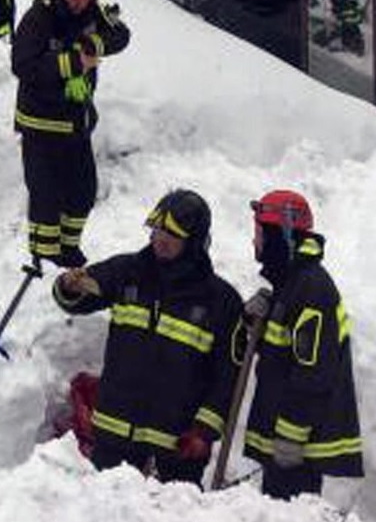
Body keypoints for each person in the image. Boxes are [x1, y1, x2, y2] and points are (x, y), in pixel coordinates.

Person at [52, 189, 243, 487]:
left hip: (177, 448)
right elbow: (76, 295)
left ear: (194, 242)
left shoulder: (221, 301)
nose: (161, 240)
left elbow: (226, 377)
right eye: (156, 230)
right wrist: (69, 286)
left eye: (172, 234)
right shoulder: (128, 272)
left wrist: (204, 433)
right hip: (114, 435)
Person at [12, 0, 131, 269]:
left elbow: (121, 34)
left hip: (76, 121)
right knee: (45, 194)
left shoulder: (92, 8)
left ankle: (67, 247)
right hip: (40, 122)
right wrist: (73, 62)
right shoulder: (38, 17)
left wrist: (96, 42)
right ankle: (43, 255)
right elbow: (23, 65)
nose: (79, 4)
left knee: (82, 191)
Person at [240, 189, 363, 501]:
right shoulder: (290, 284)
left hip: (297, 446)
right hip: (285, 439)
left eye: (258, 233)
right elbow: (278, 355)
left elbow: (314, 370)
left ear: (279, 235)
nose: (254, 242)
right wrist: (253, 321)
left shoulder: (312, 289)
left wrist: (291, 435)